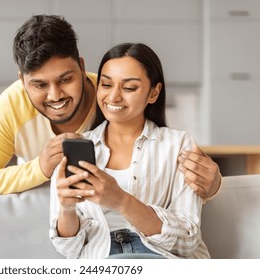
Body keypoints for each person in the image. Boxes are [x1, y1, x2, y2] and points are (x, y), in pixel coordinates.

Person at [0, 14, 220, 197]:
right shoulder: (14, 102)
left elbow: (161, 166)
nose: (55, 95)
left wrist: (212, 185)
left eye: (66, 79)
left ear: (82, 67)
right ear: (22, 81)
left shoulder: (111, 98)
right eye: (39, 85)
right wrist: (39, 168)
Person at [49, 43, 210, 259]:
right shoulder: (73, 148)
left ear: (153, 93)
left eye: (129, 88)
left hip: (160, 258)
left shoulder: (178, 145)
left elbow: (188, 240)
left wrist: (121, 201)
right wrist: (67, 208)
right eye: (106, 84)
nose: (113, 97)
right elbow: (69, 249)